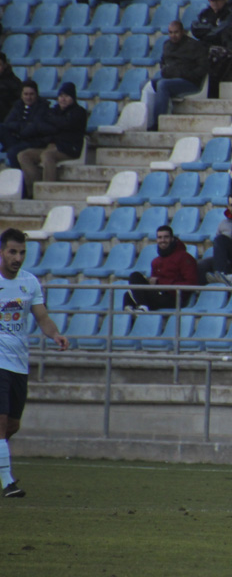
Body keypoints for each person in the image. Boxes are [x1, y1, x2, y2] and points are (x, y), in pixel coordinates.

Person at [0, 228, 69, 498]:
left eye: (22, 252)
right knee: (2, 423)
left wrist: (55, 334)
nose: (18, 257)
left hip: (19, 362)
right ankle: (8, 482)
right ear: (2, 252)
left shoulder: (29, 282)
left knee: (13, 425)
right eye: (12, 252)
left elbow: (41, 317)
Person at [16, 83, 88, 197]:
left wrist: (54, 122)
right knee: (23, 155)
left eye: (66, 96)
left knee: (47, 155)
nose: (63, 99)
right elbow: (44, 125)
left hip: (68, 148)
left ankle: (47, 190)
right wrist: (58, 123)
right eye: (61, 96)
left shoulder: (79, 112)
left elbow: (66, 124)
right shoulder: (53, 111)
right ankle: (35, 188)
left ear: (73, 98)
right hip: (51, 145)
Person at [149, 21, 209, 131]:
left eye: (176, 32)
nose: (173, 35)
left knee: (162, 84)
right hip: (171, 79)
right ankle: (149, 119)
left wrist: (182, 73)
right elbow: (163, 62)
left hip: (189, 82)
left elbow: (202, 69)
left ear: (182, 32)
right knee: (149, 83)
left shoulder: (194, 46)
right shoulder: (167, 45)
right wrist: (165, 70)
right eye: (171, 33)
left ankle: (158, 122)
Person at [124, 226, 198, 311]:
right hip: (159, 294)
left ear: (172, 239)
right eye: (159, 237)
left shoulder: (184, 257)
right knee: (129, 292)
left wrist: (160, 282)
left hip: (174, 298)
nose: (162, 240)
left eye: (166, 237)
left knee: (134, 283)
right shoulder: (156, 261)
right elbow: (154, 285)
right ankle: (134, 313)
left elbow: (191, 283)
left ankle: (142, 308)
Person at [200, 193, 232, 285]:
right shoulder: (223, 223)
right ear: (228, 206)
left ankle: (221, 274)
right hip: (224, 258)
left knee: (221, 239)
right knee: (201, 265)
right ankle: (199, 295)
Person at [0, 81, 49, 170]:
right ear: (21, 95)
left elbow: (33, 128)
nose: (28, 97)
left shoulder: (43, 107)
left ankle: (20, 179)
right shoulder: (18, 105)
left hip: (33, 141)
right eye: (25, 94)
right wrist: (22, 125)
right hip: (18, 139)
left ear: (36, 95)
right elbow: (7, 122)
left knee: (12, 152)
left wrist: (19, 126)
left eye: (31, 94)